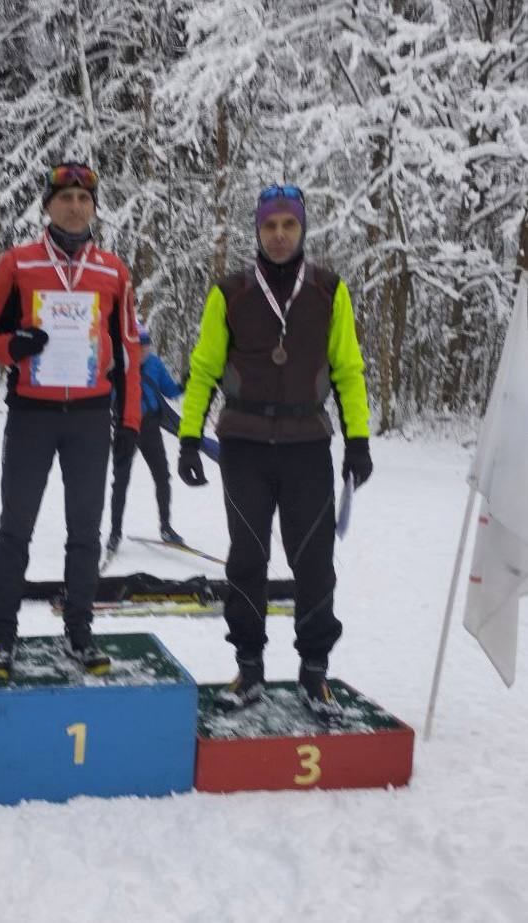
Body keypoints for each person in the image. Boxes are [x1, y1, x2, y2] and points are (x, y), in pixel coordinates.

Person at [177, 183, 372, 717]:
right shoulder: (231, 292)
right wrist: (190, 437)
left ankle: (315, 672)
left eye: (289, 225)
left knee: (315, 562)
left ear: (302, 229)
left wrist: (357, 439)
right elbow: (204, 370)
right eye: (270, 226)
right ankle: (249, 668)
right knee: (247, 559)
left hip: (308, 443)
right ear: (257, 231)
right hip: (244, 446)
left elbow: (348, 370)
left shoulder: (329, 290)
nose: (279, 235)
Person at [0, 162, 141, 679]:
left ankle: (79, 633)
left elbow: (129, 349)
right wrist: (13, 347)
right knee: (15, 529)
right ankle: (2, 636)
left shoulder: (113, 271)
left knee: (85, 533)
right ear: (47, 205)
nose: (74, 206)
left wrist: (130, 419)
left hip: (89, 417)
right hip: (32, 415)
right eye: (65, 197)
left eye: (84, 199)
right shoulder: (18, 263)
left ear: (94, 208)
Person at [106, 325, 184, 554]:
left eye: (146, 346)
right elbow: (105, 394)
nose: (143, 351)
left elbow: (171, 391)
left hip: (150, 428)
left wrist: (187, 381)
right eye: (139, 346)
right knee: (120, 481)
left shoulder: (155, 364)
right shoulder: (117, 364)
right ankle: (115, 532)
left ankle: (166, 527)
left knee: (162, 476)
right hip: (124, 428)